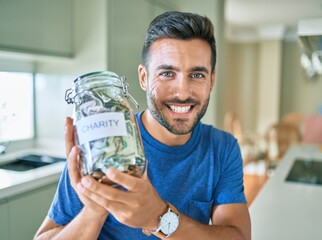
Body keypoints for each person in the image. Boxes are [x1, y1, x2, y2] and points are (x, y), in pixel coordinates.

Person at [35, 11, 251, 240]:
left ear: (212, 80)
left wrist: (159, 217)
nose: (183, 92)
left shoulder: (222, 147)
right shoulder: (105, 142)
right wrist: (95, 209)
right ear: (144, 78)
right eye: (167, 73)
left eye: (197, 75)